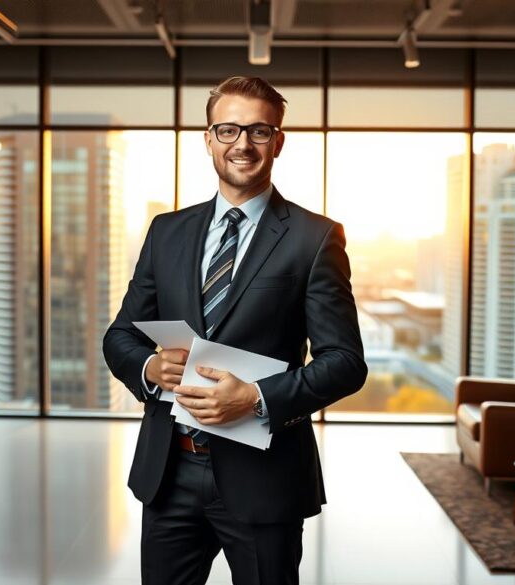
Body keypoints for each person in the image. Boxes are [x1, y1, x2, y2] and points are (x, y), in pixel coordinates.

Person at [103, 75, 367, 585]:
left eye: (259, 131)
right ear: (208, 139)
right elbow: (120, 336)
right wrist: (150, 367)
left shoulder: (315, 238)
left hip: (265, 478)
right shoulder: (167, 231)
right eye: (227, 130)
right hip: (169, 472)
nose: (242, 144)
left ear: (278, 141)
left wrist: (255, 399)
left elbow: (345, 362)